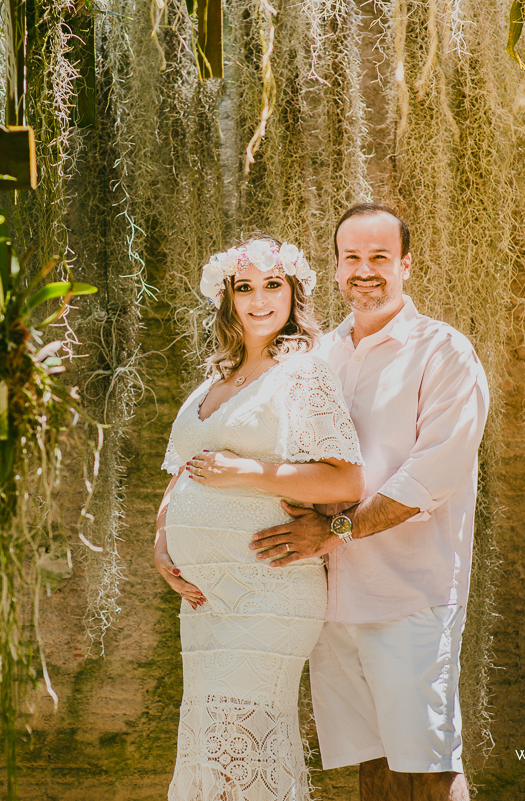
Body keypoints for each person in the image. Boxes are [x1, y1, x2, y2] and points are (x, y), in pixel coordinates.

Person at [247, 203, 489, 801]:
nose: (366, 271)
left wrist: (335, 532)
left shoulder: (444, 352)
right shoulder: (315, 357)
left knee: (429, 764)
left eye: (380, 257)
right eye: (352, 258)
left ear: (406, 264)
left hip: (411, 594)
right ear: (334, 270)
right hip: (332, 600)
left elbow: (432, 473)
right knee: (372, 764)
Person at [154, 236, 365, 801]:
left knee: (239, 743)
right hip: (204, 603)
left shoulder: (303, 374)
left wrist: (246, 471)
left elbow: (346, 481)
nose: (259, 300)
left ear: (294, 291)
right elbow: (183, 472)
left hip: (266, 591)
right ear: (227, 298)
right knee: (211, 747)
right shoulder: (214, 381)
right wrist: (161, 537)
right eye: (244, 288)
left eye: (272, 285)